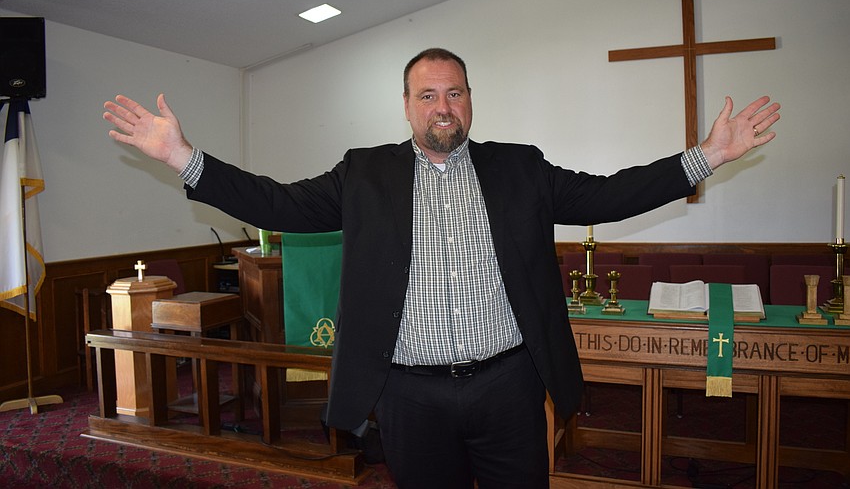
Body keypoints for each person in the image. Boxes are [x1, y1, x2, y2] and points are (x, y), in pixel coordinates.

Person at [103, 47, 780, 488]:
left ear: (470, 100)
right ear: (406, 106)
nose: (443, 106)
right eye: (427, 95)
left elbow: (609, 193)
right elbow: (275, 201)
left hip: (508, 387)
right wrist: (184, 158)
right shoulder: (364, 173)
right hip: (410, 395)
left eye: (454, 93)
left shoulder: (520, 168)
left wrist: (706, 157)